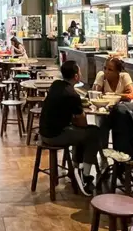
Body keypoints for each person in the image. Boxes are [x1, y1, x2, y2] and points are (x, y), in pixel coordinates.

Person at [39, 60, 103, 195]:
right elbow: (82, 123)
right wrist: (82, 112)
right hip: (56, 136)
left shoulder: (56, 85)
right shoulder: (72, 95)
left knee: (82, 133)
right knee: (94, 133)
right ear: (76, 76)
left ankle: (76, 168)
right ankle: (86, 177)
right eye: (79, 71)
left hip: (44, 132)